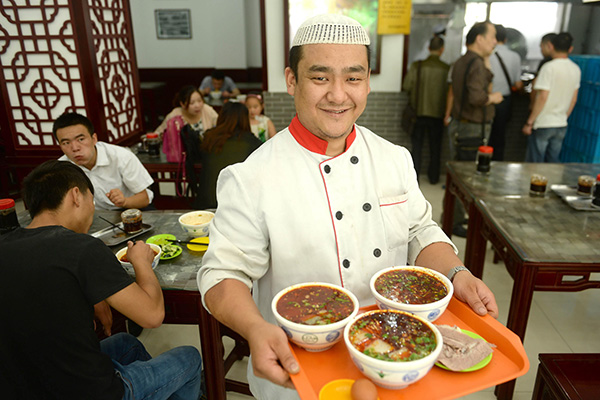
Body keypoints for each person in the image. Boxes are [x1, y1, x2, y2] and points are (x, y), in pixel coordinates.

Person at [198, 14, 498, 400]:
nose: (339, 95)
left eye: (353, 78)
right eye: (320, 77)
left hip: (394, 359)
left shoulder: (394, 159)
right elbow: (224, 273)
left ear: (367, 82)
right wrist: (256, 328)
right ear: (292, 80)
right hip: (300, 369)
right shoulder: (250, 177)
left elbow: (419, 232)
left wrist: (457, 273)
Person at [0, 160, 203, 399]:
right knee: (189, 358)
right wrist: (141, 262)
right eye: (91, 200)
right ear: (76, 195)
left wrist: (94, 296)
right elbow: (152, 315)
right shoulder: (81, 248)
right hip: (88, 391)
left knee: (127, 344)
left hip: (25, 386)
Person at [446, 21, 503, 237]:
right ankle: (456, 221)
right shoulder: (476, 63)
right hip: (471, 129)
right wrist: (494, 98)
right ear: (479, 38)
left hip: (460, 125)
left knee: (458, 176)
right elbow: (477, 96)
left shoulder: (462, 60)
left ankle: (453, 218)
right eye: (492, 36)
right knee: (468, 179)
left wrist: (487, 60)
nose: (495, 41)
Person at [54, 112, 154, 211]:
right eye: (66, 143)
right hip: (93, 216)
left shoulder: (121, 156)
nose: (75, 148)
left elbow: (144, 198)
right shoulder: (61, 168)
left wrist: (124, 201)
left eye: (80, 139)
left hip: (130, 208)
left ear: (94, 139)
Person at [523, 32, 580, 163]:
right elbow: (574, 99)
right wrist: (563, 117)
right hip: (561, 123)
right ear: (570, 49)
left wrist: (530, 122)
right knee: (553, 163)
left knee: (535, 162)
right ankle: (552, 184)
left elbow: (542, 97)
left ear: (551, 45)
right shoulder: (575, 69)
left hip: (543, 123)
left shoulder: (548, 68)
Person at [196, 102, 262, 209]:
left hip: (205, 204)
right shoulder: (252, 142)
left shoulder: (209, 137)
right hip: (237, 207)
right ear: (245, 119)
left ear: (221, 117)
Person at [403, 36, 450, 184]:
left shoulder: (418, 66)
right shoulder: (446, 69)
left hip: (418, 112)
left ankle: (414, 179)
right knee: (435, 147)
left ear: (429, 48)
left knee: (416, 146)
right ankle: (434, 177)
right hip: (438, 114)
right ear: (442, 50)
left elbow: (407, 86)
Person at [489, 24, 523, 161]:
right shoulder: (514, 56)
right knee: (499, 136)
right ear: (506, 39)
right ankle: (496, 165)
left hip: (487, 100)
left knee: (485, 135)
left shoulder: (487, 55)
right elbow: (518, 84)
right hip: (504, 101)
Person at [154, 85, 219, 139]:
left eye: (199, 101)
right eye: (192, 103)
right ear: (182, 104)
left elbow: (221, 126)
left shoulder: (207, 109)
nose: (197, 106)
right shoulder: (175, 114)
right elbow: (158, 133)